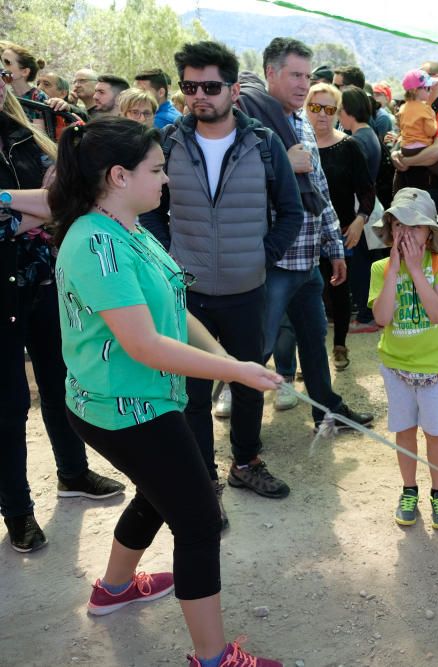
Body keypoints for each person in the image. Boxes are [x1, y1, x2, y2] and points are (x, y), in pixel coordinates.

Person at [50, 116, 283, 667]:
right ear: (118, 176)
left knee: (163, 490)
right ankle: (213, 656)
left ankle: (113, 589)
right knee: (199, 518)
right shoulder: (94, 243)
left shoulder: (129, 225)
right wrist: (234, 374)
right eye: (157, 170)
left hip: (142, 400)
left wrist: (229, 360)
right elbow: (146, 346)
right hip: (124, 407)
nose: (166, 180)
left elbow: (175, 307)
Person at [139, 40, 305, 514]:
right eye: (190, 86)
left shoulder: (265, 144)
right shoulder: (168, 143)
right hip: (186, 292)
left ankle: (246, 462)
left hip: (245, 289)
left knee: (248, 381)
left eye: (210, 86)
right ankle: (202, 476)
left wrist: (260, 255)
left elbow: (291, 213)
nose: (199, 96)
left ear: (234, 88)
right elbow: (151, 209)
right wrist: (165, 259)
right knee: (191, 390)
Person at [0, 76, 125, 554]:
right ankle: (18, 512)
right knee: (9, 407)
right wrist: (42, 205)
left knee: (61, 385)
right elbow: (56, 203)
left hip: (47, 283)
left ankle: (72, 472)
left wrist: (16, 204)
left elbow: (69, 200)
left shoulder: (25, 132)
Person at [258, 37, 374, 432]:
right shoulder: (251, 126)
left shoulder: (300, 123)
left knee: (313, 341)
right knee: (256, 350)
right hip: (274, 263)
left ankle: (328, 409)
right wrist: (281, 166)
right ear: (270, 74)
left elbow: (320, 193)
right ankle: (244, 445)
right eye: (295, 74)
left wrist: (335, 247)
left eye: (307, 75)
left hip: (308, 261)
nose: (303, 84)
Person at [368, 188, 438, 529]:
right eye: (398, 225)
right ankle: (409, 489)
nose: (405, 233)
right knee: (404, 431)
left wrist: (415, 270)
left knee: (435, 433)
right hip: (396, 367)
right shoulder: (380, 268)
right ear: (389, 230)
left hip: (435, 369)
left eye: (414, 226)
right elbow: (381, 318)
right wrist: (395, 271)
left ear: (429, 233)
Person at [304, 82, 376, 371]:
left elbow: (367, 191)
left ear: (338, 113)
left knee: (338, 292)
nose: (322, 115)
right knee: (309, 297)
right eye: (315, 108)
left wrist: (360, 220)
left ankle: (340, 346)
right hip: (305, 236)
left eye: (329, 109)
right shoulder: (297, 145)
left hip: (341, 234)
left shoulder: (349, 147)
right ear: (306, 109)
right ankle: (311, 352)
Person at [336, 84, 383, 331]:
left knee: (361, 265)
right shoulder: (369, 135)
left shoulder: (356, 140)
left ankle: (365, 316)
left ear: (349, 111)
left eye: (339, 109)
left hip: (359, 210)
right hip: (367, 208)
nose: (337, 115)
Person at [393, 69, 438, 193]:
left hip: (405, 149)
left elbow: (400, 127)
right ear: (415, 90)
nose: (430, 91)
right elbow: (430, 131)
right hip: (421, 149)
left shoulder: (403, 107)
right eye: (427, 88)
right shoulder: (426, 109)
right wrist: (434, 120)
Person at [1, 41, 48, 129]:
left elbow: (39, 134)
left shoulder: (37, 97)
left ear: (24, 72)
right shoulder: (4, 95)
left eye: (7, 63)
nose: (2, 67)